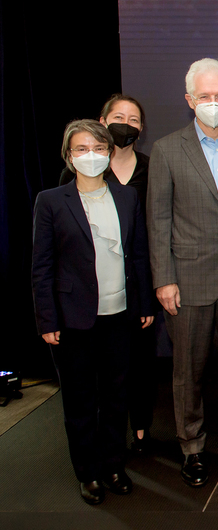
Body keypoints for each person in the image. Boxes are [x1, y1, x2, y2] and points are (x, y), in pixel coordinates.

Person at [147, 57, 218, 487]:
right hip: (188, 279)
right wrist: (163, 278)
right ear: (189, 100)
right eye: (205, 96)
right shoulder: (167, 149)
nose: (213, 103)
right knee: (188, 370)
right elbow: (157, 219)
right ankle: (191, 446)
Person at [32, 120, 155, 505]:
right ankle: (88, 472)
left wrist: (144, 305)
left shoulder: (127, 198)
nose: (91, 156)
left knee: (116, 395)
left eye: (99, 148)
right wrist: (47, 320)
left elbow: (138, 254)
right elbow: (42, 266)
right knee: (81, 400)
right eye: (81, 149)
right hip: (73, 319)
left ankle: (114, 465)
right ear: (69, 156)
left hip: (119, 314)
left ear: (109, 152)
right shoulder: (51, 201)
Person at [59, 94, 157, 452]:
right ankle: (92, 456)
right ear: (102, 121)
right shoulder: (68, 185)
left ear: (142, 128)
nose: (126, 125)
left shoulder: (150, 168)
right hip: (85, 300)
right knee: (89, 386)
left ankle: (137, 432)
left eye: (134, 120)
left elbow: (147, 240)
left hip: (134, 290)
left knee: (134, 370)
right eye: (119, 117)